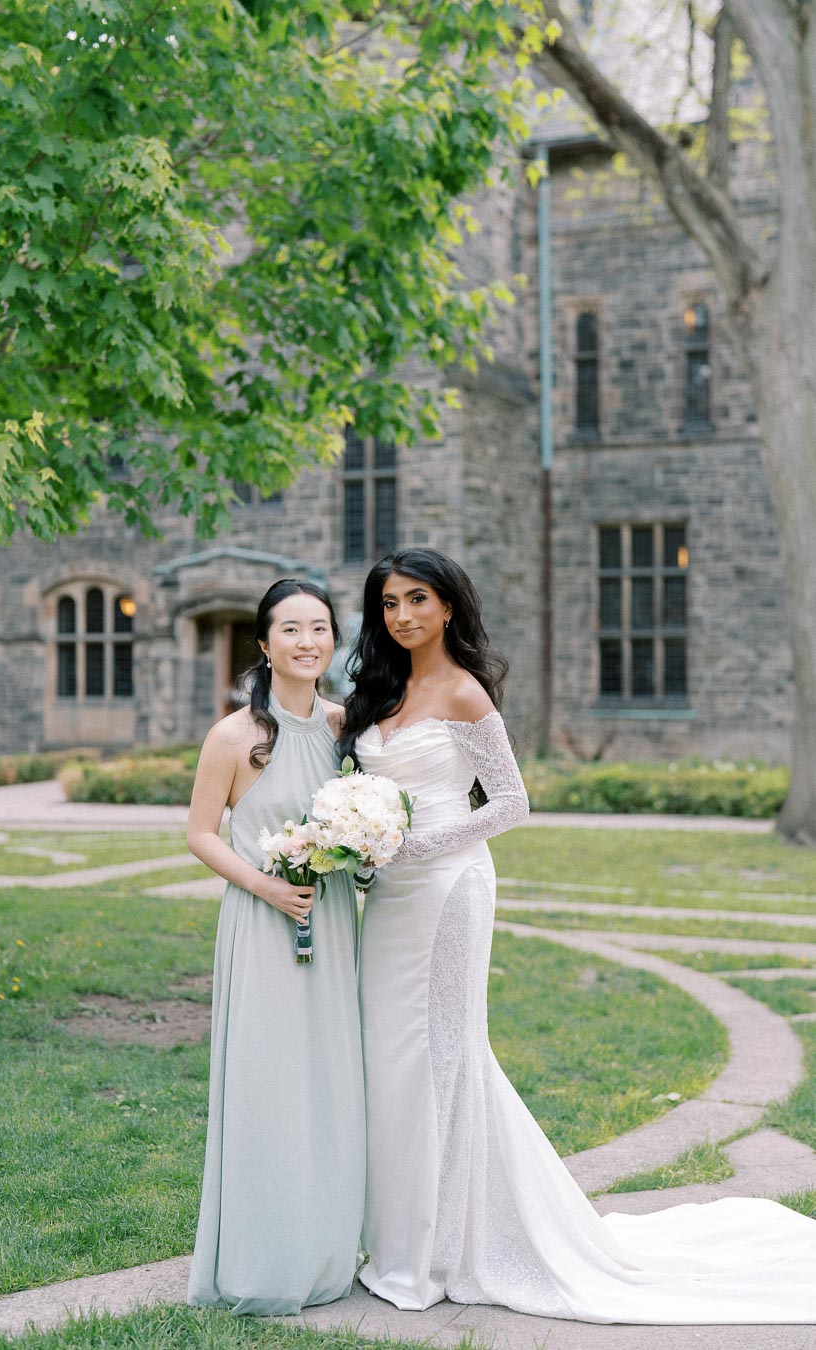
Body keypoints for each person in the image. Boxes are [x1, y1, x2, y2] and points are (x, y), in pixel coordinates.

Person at [342, 546, 816, 1325]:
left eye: (417, 600)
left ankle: (441, 1248)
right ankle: (396, 1234)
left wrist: (424, 844)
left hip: (451, 885)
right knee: (389, 1055)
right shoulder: (378, 691)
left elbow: (512, 802)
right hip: (389, 899)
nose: (402, 617)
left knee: (446, 1053)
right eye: (389, 604)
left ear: (449, 607)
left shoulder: (464, 693)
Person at [187, 579, 365, 1314]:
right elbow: (199, 834)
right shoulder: (234, 737)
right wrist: (264, 886)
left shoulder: (345, 727)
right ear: (264, 645)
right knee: (268, 1082)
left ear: (333, 640)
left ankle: (327, 1249)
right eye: (289, 629)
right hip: (262, 926)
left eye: (319, 628)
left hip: (331, 925)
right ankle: (264, 1260)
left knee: (328, 1077)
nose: (306, 641)